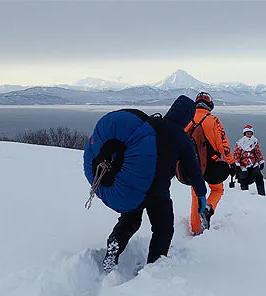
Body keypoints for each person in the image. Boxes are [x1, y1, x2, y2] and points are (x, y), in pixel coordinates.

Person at [87, 96, 208, 273]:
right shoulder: (182, 139)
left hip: (134, 184)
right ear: (187, 117)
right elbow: (194, 171)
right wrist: (201, 193)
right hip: (157, 192)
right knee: (163, 228)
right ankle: (154, 268)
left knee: (129, 220)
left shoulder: (151, 123)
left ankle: (114, 245)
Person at [186, 92, 235, 235]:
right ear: (210, 105)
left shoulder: (188, 119)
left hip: (193, 165)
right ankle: (208, 207)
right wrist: (231, 163)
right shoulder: (213, 120)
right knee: (217, 190)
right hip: (213, 164)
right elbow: (223, 145)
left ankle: (196, 230)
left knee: (196, 195)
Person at [234, 124, 266, 196]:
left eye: (250, 133)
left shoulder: (255, 141)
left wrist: (261, 162)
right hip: (243, 163)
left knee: (258, 177)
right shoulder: (240, 142)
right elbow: (236, 154)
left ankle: (262, 194)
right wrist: (237, 165)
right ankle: (245, 195)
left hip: (254, 162)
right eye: (247, 133)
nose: (249, 134)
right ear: (245, 133)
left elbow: (258, 152)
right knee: (243, 178)